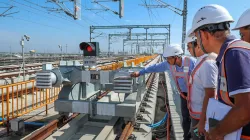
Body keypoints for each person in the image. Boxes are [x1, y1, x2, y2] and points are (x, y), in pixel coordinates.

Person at [188, 4, 250, 139]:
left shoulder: (234, 54)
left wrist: (217, 132)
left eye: (197, 37)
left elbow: (246, 109)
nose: (197, 42)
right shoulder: (229, 54)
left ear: (203, 34)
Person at [131, 44, 196, 140]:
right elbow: (155, 67)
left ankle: (196, 136)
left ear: (176, 57)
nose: (167, 61)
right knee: (185, 117)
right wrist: (140, 72)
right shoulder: (169, 64)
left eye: (169, 58)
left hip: (196, 95)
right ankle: (186, 136)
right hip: (184, 95)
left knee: (196, 119)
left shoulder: (192, 62)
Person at [185, 35, 218, 140]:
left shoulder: (207, 63)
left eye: (189, 46)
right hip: (196, 114)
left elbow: (211, 94)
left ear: (198, 45)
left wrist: (202, 122)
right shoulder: (200, 60)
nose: (187, 50)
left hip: (202, 117)